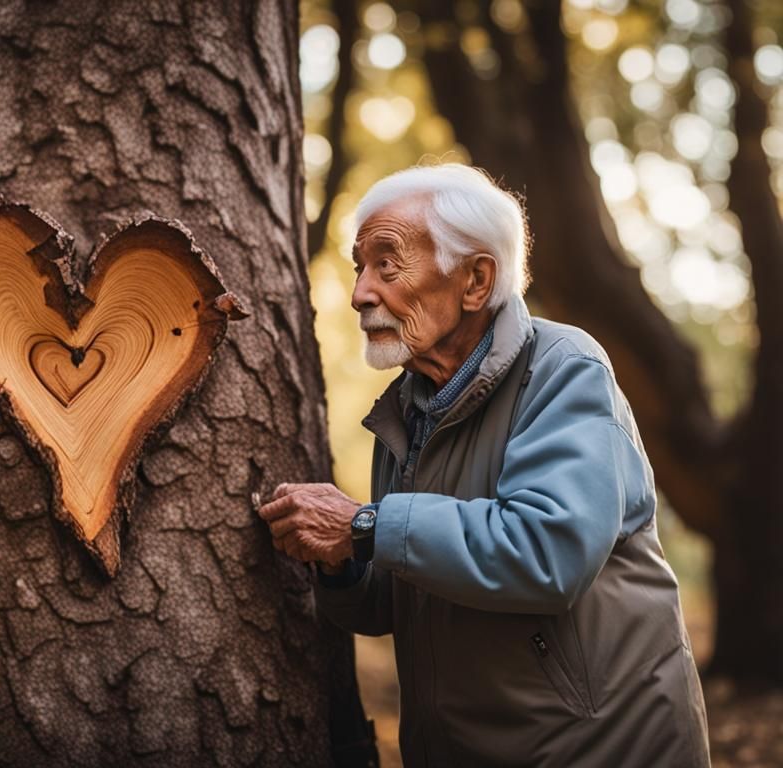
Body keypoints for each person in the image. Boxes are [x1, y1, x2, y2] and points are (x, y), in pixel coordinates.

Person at [257, 164, 711, 767]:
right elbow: (392, 602)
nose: (360, 292)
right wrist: (341, 561)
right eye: (359, 266)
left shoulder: (563, 370)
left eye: (387, 264)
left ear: (475, 281)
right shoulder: (403, 410)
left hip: (597, 752)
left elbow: (547, 553)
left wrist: (364, 526)